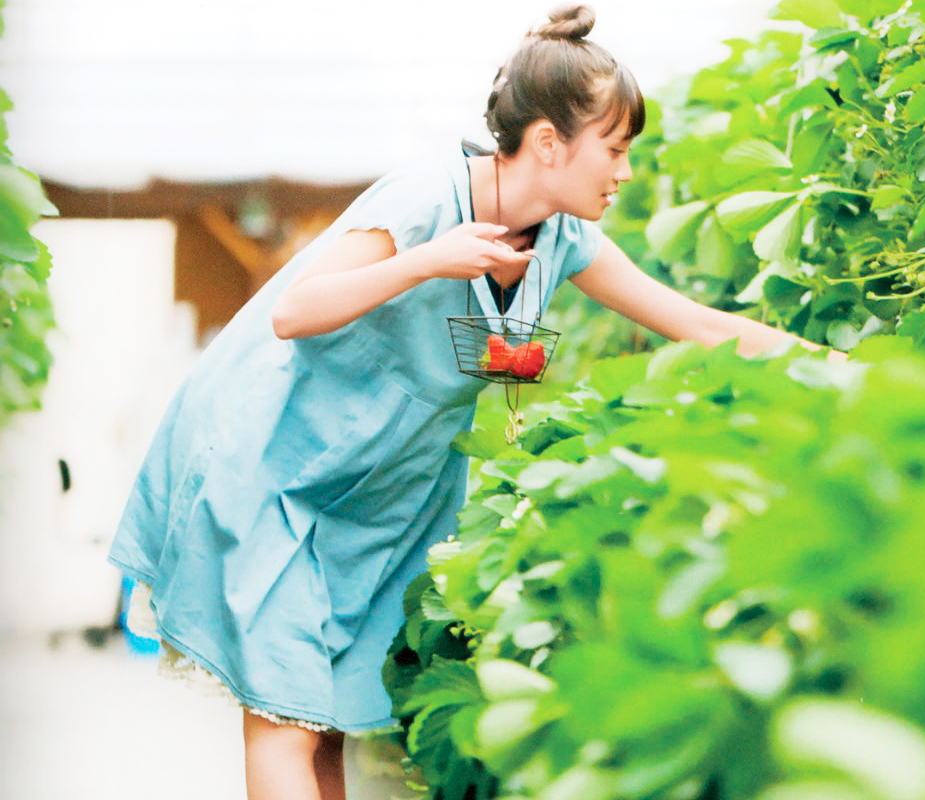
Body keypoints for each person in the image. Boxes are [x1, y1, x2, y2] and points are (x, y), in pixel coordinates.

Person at [108, 5, 838, 800]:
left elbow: (694, 322)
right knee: (285, 724)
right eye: (616, 149)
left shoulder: (563, 239)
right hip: (277, 464)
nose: (625, 172)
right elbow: (294, 312)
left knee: (327, 732)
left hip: (378, 494)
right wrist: (426, 261)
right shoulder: (427, 199)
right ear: (551, 144)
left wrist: (836, 365)